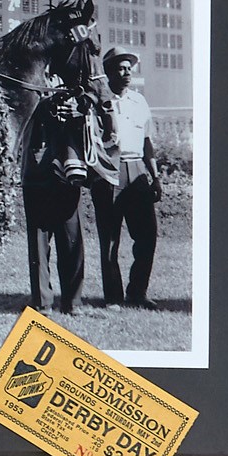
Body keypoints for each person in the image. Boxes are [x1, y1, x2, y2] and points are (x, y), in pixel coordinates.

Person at [91, 48, 161, 310]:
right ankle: (113, 297)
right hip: (109, 170)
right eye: (121, 67)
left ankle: (137, 291)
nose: (127, 72)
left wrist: (155, 177)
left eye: (130, 67)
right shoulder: (99, 101)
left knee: (147, 236)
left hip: (138, 172)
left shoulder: (139, 102)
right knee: (110, 238)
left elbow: (147, 143)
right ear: (109, 71)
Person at [24, 95, 88, 314]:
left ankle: (73, 301)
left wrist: (80, 113)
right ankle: (42, 301)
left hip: (69, 173)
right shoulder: (31, 73)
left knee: (72, 240)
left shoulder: (79, 83)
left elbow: (97, 113)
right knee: (39, 242)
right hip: (37, 173)